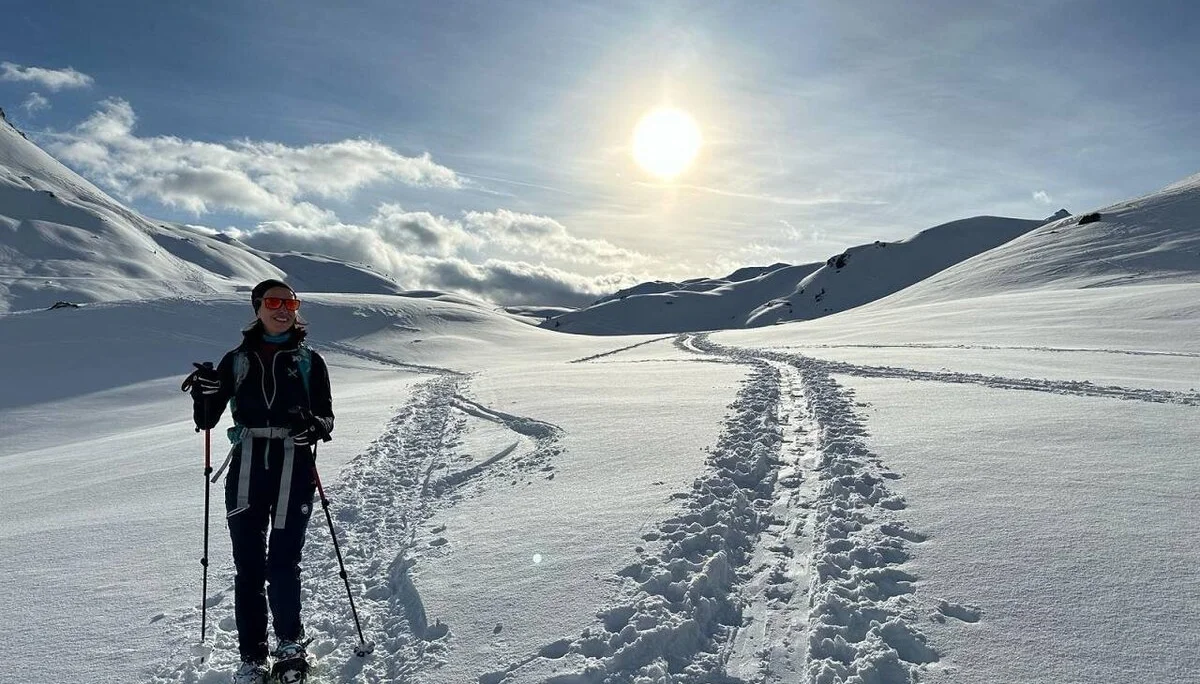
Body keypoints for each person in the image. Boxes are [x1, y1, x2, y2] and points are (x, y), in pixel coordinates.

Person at [185, 279, 334, 684]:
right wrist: (204, 394)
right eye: (273, 302)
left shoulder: (310, 361)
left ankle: (290, 646)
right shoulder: (236, 361)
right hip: (247, 470)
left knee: (283, 563)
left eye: (290, 303)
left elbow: (326, 417)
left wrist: (313, 426)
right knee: (248, 566)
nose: (283, 309)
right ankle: (252, 656)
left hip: (294, 469)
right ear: (257, 308)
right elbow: (207, 419)